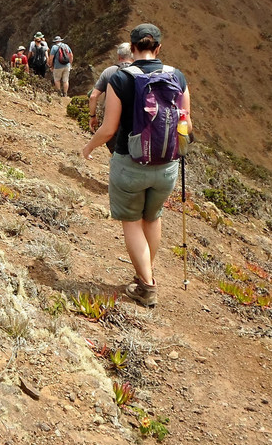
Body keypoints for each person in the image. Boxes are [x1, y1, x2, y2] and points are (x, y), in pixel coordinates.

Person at [80, 23, 191, 308]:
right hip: (166, 166)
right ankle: (144, 273)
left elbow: (108, 129)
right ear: (159, 48)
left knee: (131, 221)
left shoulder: (120, 78)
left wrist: (88, 147)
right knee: (152, 219)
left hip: (129, 164)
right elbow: (186, 124)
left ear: (132, 48)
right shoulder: (177, 77)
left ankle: (146, 285)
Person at [88, 42, 132, 135]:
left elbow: (93, 96)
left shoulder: (109, 71)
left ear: (119, 56)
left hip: (111, 119)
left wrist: (93, 116)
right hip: (133, 121)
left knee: (114, 146)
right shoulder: (140, 72)